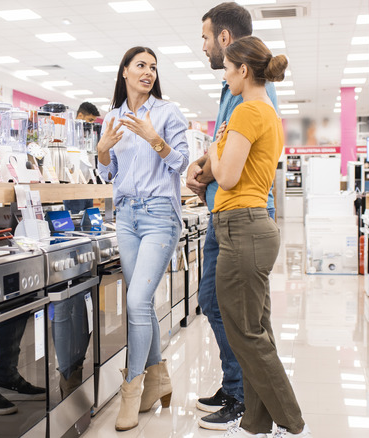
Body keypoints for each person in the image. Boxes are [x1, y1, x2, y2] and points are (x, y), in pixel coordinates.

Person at [208, 36, 310, 438]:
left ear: (243, 69)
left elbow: (228, 176)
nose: (226, 76)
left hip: (241, 227)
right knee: (254, 330)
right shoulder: (268, 112)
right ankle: (255, 424)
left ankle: (290, 423)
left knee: (245, 334)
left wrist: (212, 152)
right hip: (252, 226)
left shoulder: (249, 111)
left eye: (228, 69)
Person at [185, 2, 279, 431]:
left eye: (206, 37)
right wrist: (202, 165)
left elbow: (229, 167)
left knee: (240, 316)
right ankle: (238, 389)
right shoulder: (236, 92)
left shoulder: (250, 98)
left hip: (242, 216)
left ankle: (248, 399)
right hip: (230, 213)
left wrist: (207, 168)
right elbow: (221, 150)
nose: (204, 47)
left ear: (226, 41)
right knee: (223, 305)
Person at [96, 46, 189, 431]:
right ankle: (160, 379)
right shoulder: (112, 118)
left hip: (160, 216)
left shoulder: (167, 114)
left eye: (152, 67)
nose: (148, 72)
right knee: (142, 303)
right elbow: (109, 173)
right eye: (141, 66)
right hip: (127, 217)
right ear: (124, 72)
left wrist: (155, 139)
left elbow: (181, 162)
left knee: (135, 300)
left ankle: (131, 391)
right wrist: (101, 152)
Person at [64, 101, 102, 214]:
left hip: (88, 186)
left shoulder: (88, 138)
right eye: (90, 120)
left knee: (88, 221)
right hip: (74, 188)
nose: (91, 124)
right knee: (76, 221)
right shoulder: (69, 135)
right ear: (80, 115)